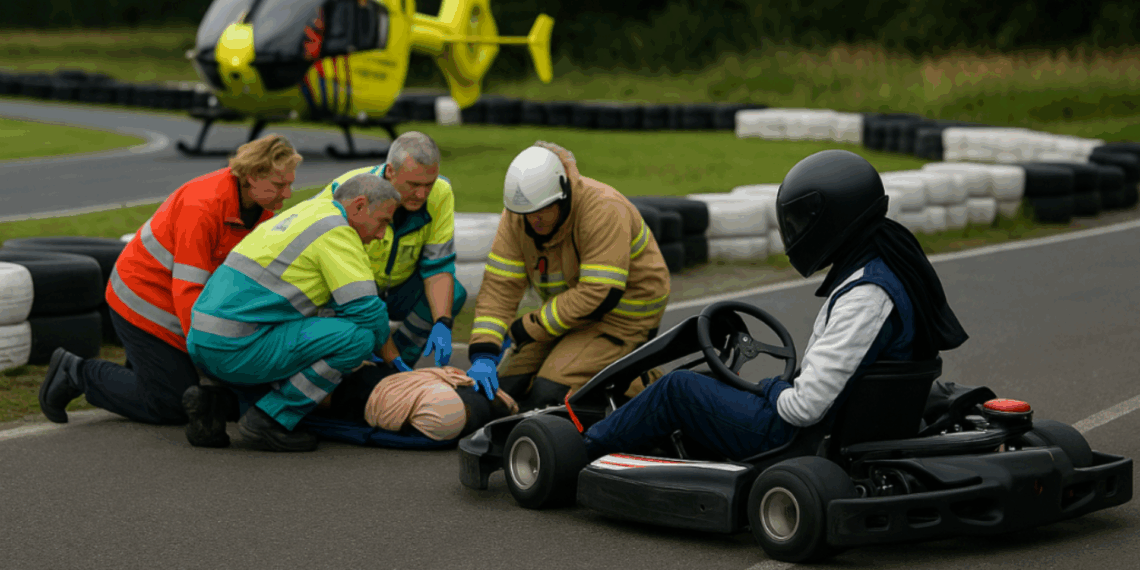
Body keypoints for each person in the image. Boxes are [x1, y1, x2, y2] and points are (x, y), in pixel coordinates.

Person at [580, 149, 970, 460]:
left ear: (833, 219)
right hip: (845, 420)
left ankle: (582, 448)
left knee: (679, 387)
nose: (797, 233)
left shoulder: (866, 296)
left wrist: (769, 388)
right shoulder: (893, 264)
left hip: (795, 438)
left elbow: (803, 409)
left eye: (803, 222)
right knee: (714, 383)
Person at [37, 134, 300, 426]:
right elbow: (189, 290)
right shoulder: (203, 205)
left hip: (171, 300)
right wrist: (209, 352)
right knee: (172, 404)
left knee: (202, 384)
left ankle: (143, 372)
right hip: (142, 299)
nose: (287, 194)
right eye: (280, 185)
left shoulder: (262, 210)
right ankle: (76, 372)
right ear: (252, 177)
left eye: (290, 183)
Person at [184, 173, 402, 452]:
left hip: (204, 343)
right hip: (236, 348)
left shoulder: (309, 211)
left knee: (312, 333)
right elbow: (366, 311)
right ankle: (270, 419)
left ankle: (217, 403)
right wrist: (393, 361)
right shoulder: (337, 231)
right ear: (359, 206)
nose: (382, 234)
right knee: (358, 338)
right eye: (383, 221)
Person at [465, 141, 672, 411]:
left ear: (563, 195)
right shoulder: (519, 214)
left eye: (541, 211)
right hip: (566, 316)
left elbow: (601, 293)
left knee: (550, 394)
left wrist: (527, 327)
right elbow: (500, 288)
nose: (533, 221)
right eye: (527, 214)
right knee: (504, 391)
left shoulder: (604, 208)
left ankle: (651, 384)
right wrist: (484, 352)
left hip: (623, 319)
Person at [315, 132, 465, 371]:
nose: (422, 194)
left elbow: (437, 267)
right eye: (414, 185)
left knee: (453, 292)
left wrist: (443, 323)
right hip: (346, 292)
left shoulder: (441, 192)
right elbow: (331, 275)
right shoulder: (347, 192)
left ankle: (397, 368)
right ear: (390, 172)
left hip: (398, 290)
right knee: (354, 346)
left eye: (429, 184)